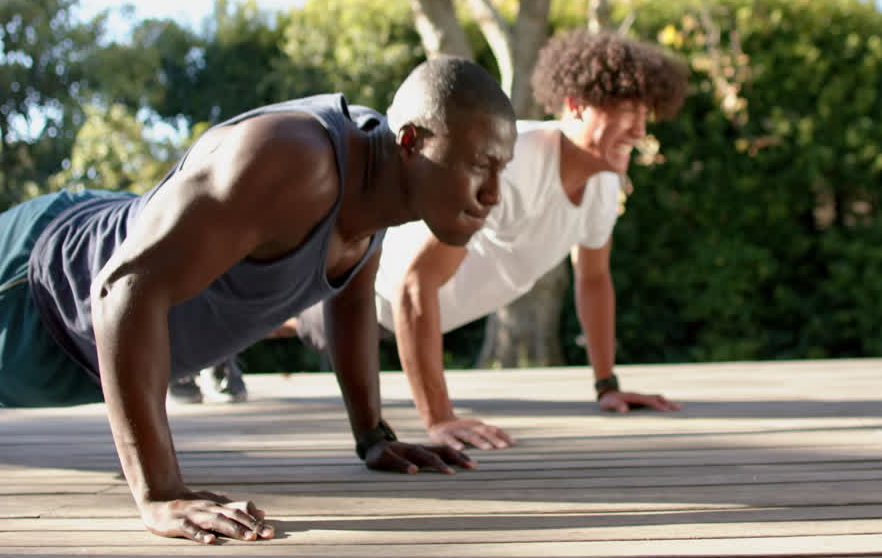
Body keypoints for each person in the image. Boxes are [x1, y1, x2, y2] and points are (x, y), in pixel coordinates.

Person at [0, 56, 517, 542]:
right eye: (479, 163)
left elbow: (345, 300)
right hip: (28, 299)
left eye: (502, 170)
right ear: (412, 141)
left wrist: (373, 436)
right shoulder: (292, 158)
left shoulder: (378, 198)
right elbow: (123, 289)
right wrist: (160, 494)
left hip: (106, 313)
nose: (492, 191)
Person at [294, 30, 689, 451]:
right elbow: (414, 285)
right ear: (576, 105)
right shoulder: (513, 163)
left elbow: (593, 279)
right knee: (290, 315)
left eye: (646, 114)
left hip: (425, 316)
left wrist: (607, 385)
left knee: (284, 318)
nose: (641, 130)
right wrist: (439, 419)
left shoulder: (604, 186)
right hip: (375, 293)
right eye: (628, 113)